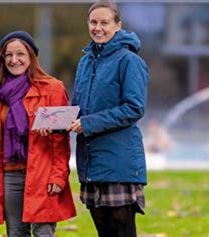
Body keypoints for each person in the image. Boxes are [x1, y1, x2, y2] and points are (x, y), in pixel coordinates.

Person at [0, 31, 76, 237]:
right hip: (10, 174)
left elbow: (61, 140)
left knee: (43, 231)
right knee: (16, 233)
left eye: (20, 54)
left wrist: (58, 176)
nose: (14, 60)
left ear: (31, 56)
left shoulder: (52, 89)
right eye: (8, 55)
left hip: (42, 174)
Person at [67, 1, 149, 237]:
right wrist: (56, 120)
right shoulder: (85, 62)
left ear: (118, 26)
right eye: (93, 22)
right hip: (91, 162)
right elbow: (78, 107)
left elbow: (134, 108)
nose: (98, 28)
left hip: (119, 162)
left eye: (105, 22)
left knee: (122, 231)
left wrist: (88, 123)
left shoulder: (129, 61)